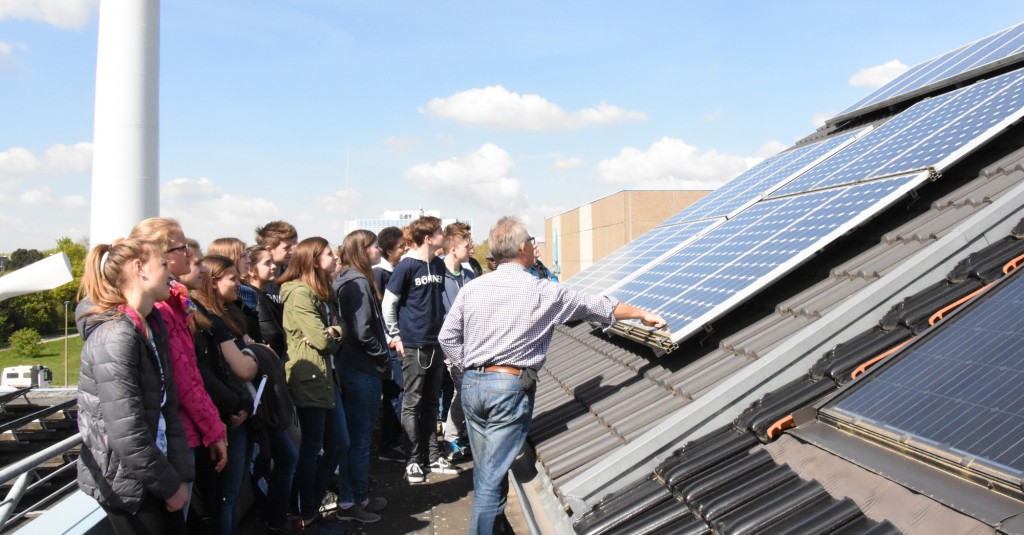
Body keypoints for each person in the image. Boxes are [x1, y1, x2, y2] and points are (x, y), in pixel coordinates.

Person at [438, 217, 667, 535]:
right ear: (522, 248)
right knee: (491, 479)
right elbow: (596, 306)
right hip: (507, 389)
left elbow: (447, 337)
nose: (535, 246)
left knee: (488, 470)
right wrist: (643, 313)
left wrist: (470, 368)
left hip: (473, 387)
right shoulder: (541, 290)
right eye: (531, 241)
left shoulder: (472, 288)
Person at [76, 238, 193, 535]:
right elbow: (126, 434)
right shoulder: (116, 336)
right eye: (164, 265)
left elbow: (169, 408)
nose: (172, 274)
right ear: (139, 268)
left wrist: (181, 476)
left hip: (156, 474)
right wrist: (170, 486)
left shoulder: (151, 324)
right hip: (131, 485)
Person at [127, 219, 228, 482]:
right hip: (179, 434)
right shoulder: (161, 310)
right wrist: (214, 428)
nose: (189, 253)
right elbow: (184, 379)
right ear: (160, 257)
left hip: (186, 430)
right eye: (181, 248)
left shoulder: (172, 303)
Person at [382, 216, 461, 483]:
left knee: (430, 402)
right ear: (428, 238)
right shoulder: (405, 267)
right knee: (412, 403)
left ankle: (432, 454)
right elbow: (388, 303)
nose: (443, 235)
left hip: (435, 342)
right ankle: (413, 460)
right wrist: (395, 336)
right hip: (413, 345)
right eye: (439, 232)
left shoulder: (437, 264)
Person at [278, 237, 348, 534]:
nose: (334, 257)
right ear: (313, 260)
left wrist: (332, 331)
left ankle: (310, 509)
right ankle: (306, 516)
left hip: (325, 379)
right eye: (329, 253)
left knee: (338, 444)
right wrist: (329, 334)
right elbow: (322, 342)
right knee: (312, 449)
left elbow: (338, 329)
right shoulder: (299, 295)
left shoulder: (322, 291)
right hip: (310, 380)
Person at [190, 254, 259, 535]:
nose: (238, 282)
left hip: (230, 413)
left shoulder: (221, 315)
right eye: (233, 278)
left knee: (229, 495)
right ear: (213, 281)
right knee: (225, 498)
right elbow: (210, 374)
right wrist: (236, 403)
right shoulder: (204, 320)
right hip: (225, 418)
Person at [332, 230, 390, 523]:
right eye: (374, 245)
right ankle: (349, 502)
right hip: (362, 369)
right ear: (363, 250)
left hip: (355, 367)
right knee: (359, 440)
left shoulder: (348, 280)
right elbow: (362, 330)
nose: (379, 249)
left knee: (356, 439)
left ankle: (358, 497)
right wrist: (382, 354)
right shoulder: (356, 283)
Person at [372, 226, 407, 463]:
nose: (405, 250)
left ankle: (394, 441)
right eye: (401, 247)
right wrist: (390, 339)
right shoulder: (380, 274)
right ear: (389, 250)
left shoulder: (391, 271)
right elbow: (380, 311)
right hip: (391, 345)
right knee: (395, 392)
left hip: (394, 343)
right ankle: (389, 444)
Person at [440, 223, 475, 461]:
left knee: (465, 389)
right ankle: (451, 437)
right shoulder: (437, 275)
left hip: (469, 342)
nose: (470, 247)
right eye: (466, 245)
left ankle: (456, 434)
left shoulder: (469, 275)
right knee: (463, 389)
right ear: (453, 249)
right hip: (448, 343)